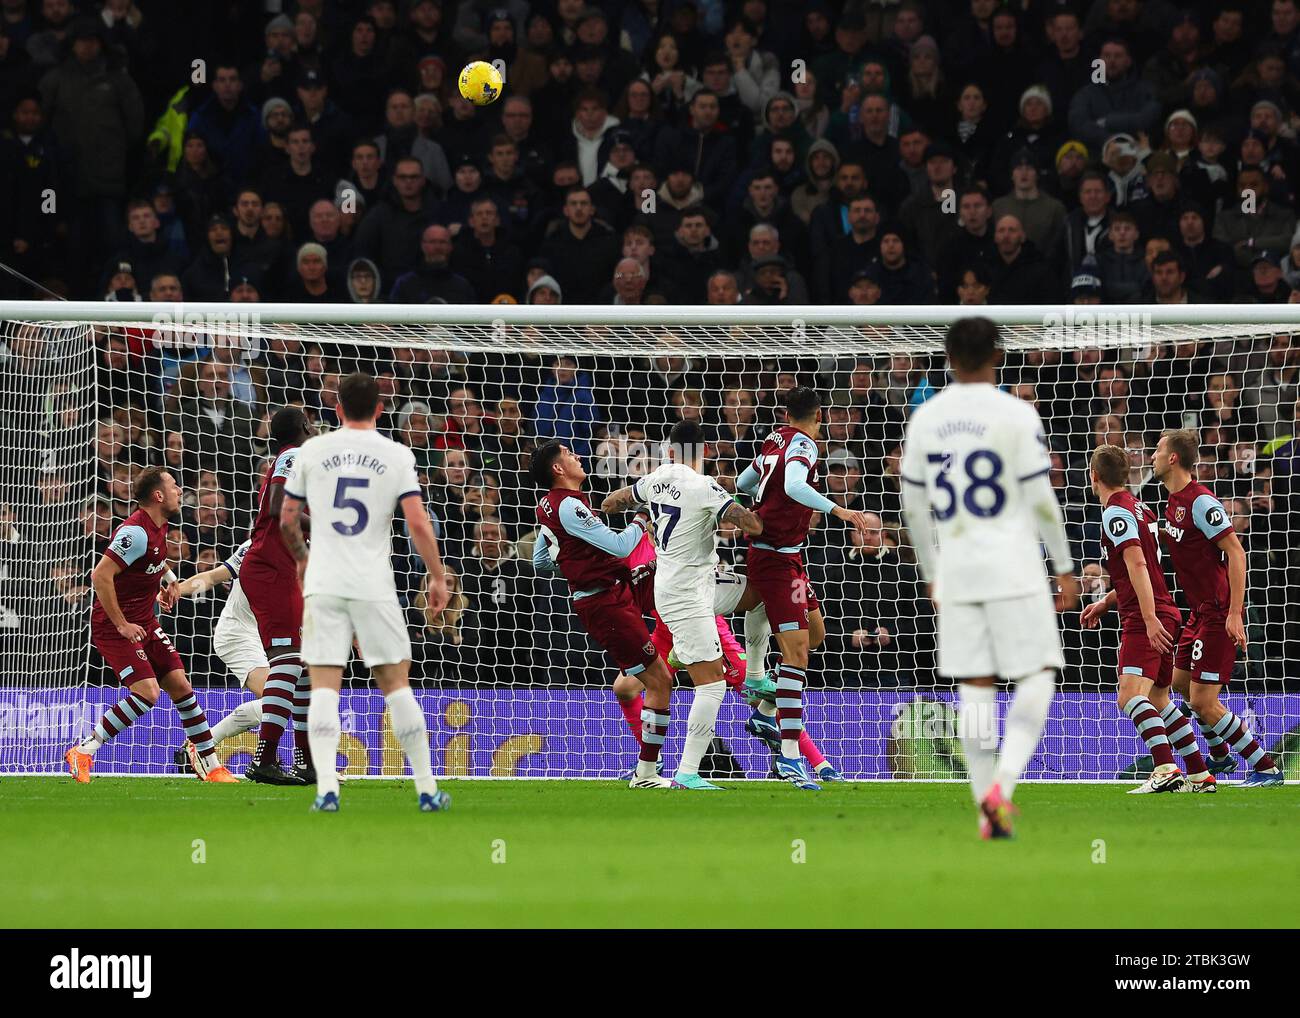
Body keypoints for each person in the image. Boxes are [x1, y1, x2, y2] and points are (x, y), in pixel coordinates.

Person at [900, 317, 1079, 838]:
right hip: (1014, 566)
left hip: (956, 569)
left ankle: (985, 808)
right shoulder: (1015, 414)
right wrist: (1064, 567)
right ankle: (1004, 780)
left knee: (975, 686)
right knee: (1039, 673)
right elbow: (1042, 500)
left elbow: (913, 507)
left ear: (949, 358)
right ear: (997, 355)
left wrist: (931, 572)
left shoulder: (927, 418)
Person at [281, 372, 451, 812]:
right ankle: (428, 790)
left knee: (323, 688)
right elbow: (417, 522)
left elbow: (287, 519)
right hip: (374, 583)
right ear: (380, 409)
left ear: (337, 409)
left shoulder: (312, 450)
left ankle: (326, 792)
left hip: (324, 581)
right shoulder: (395, 454)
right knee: (396, 685)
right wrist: (435, 576)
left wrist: (302, 558)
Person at [600, 420, 763, 790]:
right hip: (686, 594)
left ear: (669, 451)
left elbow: (612, 502)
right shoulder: (705, 487)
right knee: (712, 685)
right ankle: (687, 773)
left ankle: (754, 675)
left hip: (694, 583)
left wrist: (643, 512)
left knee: (762, 595)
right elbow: (752, 526)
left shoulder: (655, 479)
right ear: (704, 452)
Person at [734, 386, 873, 791]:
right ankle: (791, 758)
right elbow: (795, 485)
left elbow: (745, 480)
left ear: (786, 412)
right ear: (820, 415)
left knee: (815, 634)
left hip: (787, 559)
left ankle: (763, 710)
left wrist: (765, 503)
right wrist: (839, 509)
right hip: (776, 560)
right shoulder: (805, 445)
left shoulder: (774, 438)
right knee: (796, 654)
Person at [65, 467, 236, 784]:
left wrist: (169, 581)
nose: (179, 490)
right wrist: (122, 625)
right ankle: (84, 751)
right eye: (173, 486)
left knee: (182, 686)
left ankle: (212, 767)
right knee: (147, 692)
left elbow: (155, 559)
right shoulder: (135, 532)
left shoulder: (160, 525)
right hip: (115, 625)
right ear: (158, 495)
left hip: (145, 618)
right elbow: (100, 577)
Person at [530, 439, 674, 788]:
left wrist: (575, 565)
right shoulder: (569, 507)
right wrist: (642, 518)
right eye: (568, 454)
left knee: (651, 679)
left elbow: (540, 560)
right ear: (558, 469)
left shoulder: (550, 506)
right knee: (660, 681)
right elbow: (621, 547)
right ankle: (647, 774)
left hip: (608, 596)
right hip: (605, 603)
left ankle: (647, 770)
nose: (576, 456)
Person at [1151, 430, 1282, 786]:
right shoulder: (1171, 502)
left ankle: (1266, 766)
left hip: (1218, 611)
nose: (1153, 455)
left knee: (1205, 702)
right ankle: (1220, 756)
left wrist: (1234, 613)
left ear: (1173, 458)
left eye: (1159, 450)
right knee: (1177, 684)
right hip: (1197, 612)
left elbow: (1236, 553)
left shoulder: (1201, 503)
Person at [1080, 444, 1199, 794]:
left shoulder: (1115, 513)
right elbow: (1139, 569)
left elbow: (1137, 564)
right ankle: (1199, 773)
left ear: (1094, 477)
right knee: (1160, 700)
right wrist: (1106, 602)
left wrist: (1147, 618)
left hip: (1146, 615)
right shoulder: (1142, 509)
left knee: (1129, 696)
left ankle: (1165, 769)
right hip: (1162, 608)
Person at [239, 407, 317, 786]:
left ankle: (305, 761)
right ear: (304, 427)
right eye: (312, 422)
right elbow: (277, 508)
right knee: (288, 660)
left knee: (303, 666)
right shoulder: (293, 455)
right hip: (270, 569)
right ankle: (265, 758)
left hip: (283, 571)